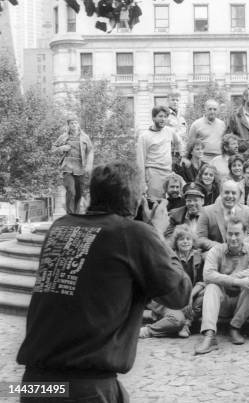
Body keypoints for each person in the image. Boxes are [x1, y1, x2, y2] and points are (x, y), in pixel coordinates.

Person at [16, 161, 191, 401]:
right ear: (135, 199)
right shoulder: (134, 234)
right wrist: (156, 232)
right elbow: (179, 294)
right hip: (86, 388)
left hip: (33, 384)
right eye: (142, 195)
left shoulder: (59, 227)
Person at [194, 217, 249, 355]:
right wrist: (237, 281)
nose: (233, 238)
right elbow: (207, 275)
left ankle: (235, 327)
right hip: (222, 302)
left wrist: (225, 278)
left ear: (244, 234)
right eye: (230, 233)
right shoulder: (216, 250)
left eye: (237, 234)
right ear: (225, 234)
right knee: (211, 287)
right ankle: (209, 335)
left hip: (244, 303)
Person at [141, 225, 203, 339]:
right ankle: (148, 330)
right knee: (177, 320)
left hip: (190, 299)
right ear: (176, 242)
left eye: (188, 239)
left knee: (203, 295)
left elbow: (201, 282)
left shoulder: (199, 257)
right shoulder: (169, 257)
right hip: (171, 298)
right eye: (181, 239)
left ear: (193, 241)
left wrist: (188, 297)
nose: (185, 242)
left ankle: (186, 324)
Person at [136, 106, 185, 201]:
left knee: (172, 202)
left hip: (168, 173)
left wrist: (179, 157)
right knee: (156, 203)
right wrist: (142, 182)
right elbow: (140, 161)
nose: (163, 119)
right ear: (153, 118)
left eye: (165, 116)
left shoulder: (169, 131)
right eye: (160, 116)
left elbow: (179, 142)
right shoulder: (144, 137)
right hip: (153, 173)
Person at [52, 116, 94, 214]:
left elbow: (90, 150)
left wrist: (89, 165)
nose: (74, 125)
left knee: (79, 193)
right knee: (71, 191)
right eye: (71, 123)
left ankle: (76, 214)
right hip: (67, 167)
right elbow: (53, 148)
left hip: (80, 167)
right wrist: (62, 147)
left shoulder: (85, 137)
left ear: (78, 125)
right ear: (68, 125)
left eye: (75, 123)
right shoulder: (63, 137)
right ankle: (70, 214)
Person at [196, 180, 249, 251]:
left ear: (239, 195)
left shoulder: (246, 210)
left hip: (239, 252)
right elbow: (200, 238)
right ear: (221, 193)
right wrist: (223, 248)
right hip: (216, 253)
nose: (230, 196)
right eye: (226, 192)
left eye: (234, 193)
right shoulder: (206, 211)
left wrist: (238, 245)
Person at [188, 99, 226, 163]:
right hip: (203, 159)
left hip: (219, 158)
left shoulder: (222, 124)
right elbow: (190, 144)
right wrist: (187, 159)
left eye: (215, 109)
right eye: (210, 109)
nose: (212, 111)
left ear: (218, 111)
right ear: (205, 110)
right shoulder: (196, 124)